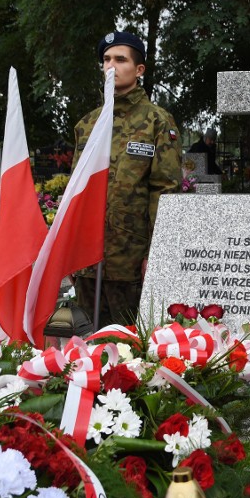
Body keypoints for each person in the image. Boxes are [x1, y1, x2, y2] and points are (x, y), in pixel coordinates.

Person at [72, 30, 182, 326]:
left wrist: (156, 254)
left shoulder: (157, 121)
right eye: (106, 60)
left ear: (139, 70)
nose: (112, 66)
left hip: (130, 262)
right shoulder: (87, 124)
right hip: (85, 261)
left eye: (121, 59)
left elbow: (166, 192)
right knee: (85, 349)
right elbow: (75, 192)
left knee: (129, 349)